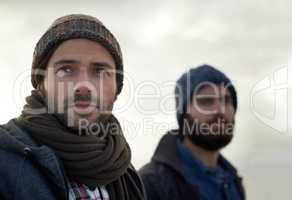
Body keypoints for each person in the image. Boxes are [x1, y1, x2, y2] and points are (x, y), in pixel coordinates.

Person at [0, 14, 145, 200]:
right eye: (66, 70)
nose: (83, 85)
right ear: (41, 84)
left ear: (117, 89)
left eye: (100, 71)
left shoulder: (123, 168)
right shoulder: (5, 160)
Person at [139, 64, 246, 200]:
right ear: (183, 114)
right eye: (206, 101)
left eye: (227, 100)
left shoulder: (232, 180)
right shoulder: (150, 186)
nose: (221, 111)